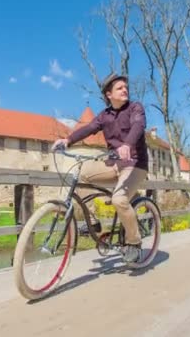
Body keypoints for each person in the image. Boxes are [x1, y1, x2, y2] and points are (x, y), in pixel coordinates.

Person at [52, 74, 149, 263]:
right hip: (113, 165)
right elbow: (88, 129)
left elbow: (138, 126)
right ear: (109, 94)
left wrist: (128, 144)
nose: (125, 90)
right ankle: (93, 223)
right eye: (120, 88)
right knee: (79, 175)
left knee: (119, 199)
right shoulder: (104, 116)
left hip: (135, 164)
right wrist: (67, 140)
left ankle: (134, 242)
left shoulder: (135, 108)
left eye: (125, 87)